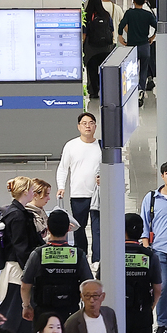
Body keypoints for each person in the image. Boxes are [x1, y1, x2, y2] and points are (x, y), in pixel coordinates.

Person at [20, 210, 91, 332]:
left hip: (43, 313)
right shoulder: (78, 255)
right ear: (68, 229)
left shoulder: (38, 254)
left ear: (48, 228)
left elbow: (25, 285)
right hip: (70, 312)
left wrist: (26, 306)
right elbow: (88, 284)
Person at [0, 179, 45, 333]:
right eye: (31, 190)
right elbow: (20, 247)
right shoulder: (17, 215)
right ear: (25, 192)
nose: (33, 193)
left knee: (20, 315)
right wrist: (30, 271)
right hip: (18, 271)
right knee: (12, 313)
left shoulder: (17, 212)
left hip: (18, 268)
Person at [56, 112, 103, 263]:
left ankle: (97, 260)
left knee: (98, 229)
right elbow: (63, 168)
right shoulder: (71, 145)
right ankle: (81, 257)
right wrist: (61, 186)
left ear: (95, 126)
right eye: (84, 123)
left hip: (97, 195)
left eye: (91, 123)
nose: (88, 126)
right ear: (78, 126)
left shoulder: (101, 146)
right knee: (79, 228)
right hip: (78, 194)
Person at [122, 214, 162, 333]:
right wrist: (150, 306)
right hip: (142, 312)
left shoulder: (113, 254)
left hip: (118, 314)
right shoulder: (150, 256)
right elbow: (158, 288)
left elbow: (100, 282)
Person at [119, 0, 159, 95]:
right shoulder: (148, 15)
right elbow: (158, 27)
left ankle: (133, 89)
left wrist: (120, 36)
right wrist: (152, 37)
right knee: (144, 69)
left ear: (134, 1)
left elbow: (121, 24)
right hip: (145, 45)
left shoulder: (129, 13)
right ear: (144, 2)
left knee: (131, 68)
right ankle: (141, 89)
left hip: (132, 46)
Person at [81, 0, 115, 101]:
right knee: (104, 71)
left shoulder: (87, 16)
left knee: (92, 71)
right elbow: (112, 31)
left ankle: (94, 92)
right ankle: (105, 90)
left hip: (91, 49)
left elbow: (84, 34)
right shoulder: (106, 15)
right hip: (105, 48)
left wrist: (82, 46)